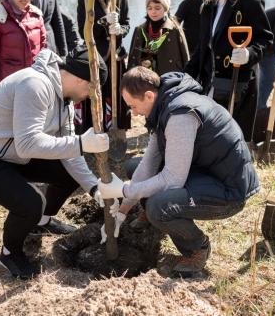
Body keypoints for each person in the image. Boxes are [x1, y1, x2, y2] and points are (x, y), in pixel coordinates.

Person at [0, 46, 109, 279]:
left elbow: (69, 151)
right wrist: (81, 143)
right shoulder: (34, 85)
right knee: (30, 202)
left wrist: (93, 187)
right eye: (92, 90)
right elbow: (28, 143)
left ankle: (41, 222)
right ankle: (10, 252)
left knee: (68, 175)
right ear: (81, 80)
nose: (90, 96)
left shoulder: (65, 99)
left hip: (13, 154)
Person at [97, 66, 260, 276]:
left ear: (148, 95)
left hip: (229, 188)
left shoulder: (180, 115)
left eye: (134, 106)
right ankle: (152, 214)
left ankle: (197, 248)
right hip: (206, 171)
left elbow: (173, 179)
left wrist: (127, 191)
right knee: (134, 167)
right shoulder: (163, 102)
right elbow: (149, 163)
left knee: (159, 207)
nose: (135, 113)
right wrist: (122, 211)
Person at [183, 0, 273, 142]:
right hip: (210, 81)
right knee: (209, 131)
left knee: (231, 136)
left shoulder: (249, 2)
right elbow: (203, 47)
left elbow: (265, 39)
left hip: (236, 83)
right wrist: (185, 77)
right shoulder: (208, 5)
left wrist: (249, 54)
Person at [76, 0, 131, 133]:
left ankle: (115, 130)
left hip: (116, 55)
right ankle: (95, 130)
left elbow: (127, 24)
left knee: (115, 94)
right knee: (96, 93)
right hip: (96, 55)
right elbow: (83, 31)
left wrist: (119, 29)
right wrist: (103, 23)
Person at [128, 0, 189, 75]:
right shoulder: (139, 29)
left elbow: (185, 56)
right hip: (146, 78)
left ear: (165, 9)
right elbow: (133, 57)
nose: (153, 11)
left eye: (157, 8)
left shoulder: (175, 29)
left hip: (171, 78)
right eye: (149, 8)